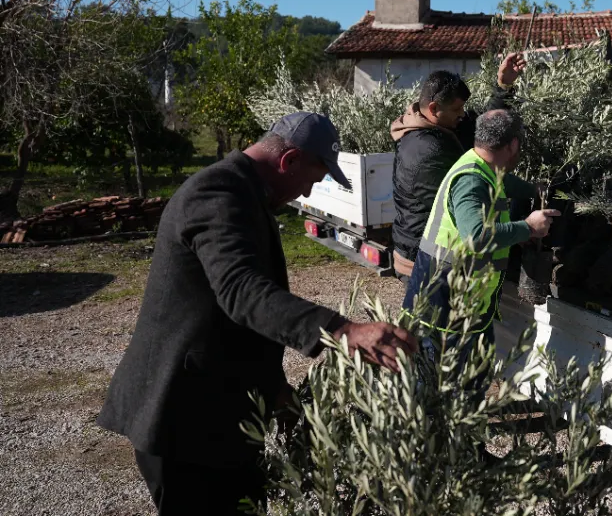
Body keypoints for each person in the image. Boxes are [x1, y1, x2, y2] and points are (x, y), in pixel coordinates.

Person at [96, 112, 418, 516]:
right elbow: (240, 291)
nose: (306, 192)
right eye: (312, 180)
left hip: (219, 415)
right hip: (184, 421)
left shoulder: (244, 192)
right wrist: (343, 331)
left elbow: (235, 316)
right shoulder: (216, 193)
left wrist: (273, 386)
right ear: (289, 161)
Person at [402, 109, 559, 364]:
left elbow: (503, 184)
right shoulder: (472, 180)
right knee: (442, 387)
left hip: (464, 304)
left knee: (473, 381)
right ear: (513, 145)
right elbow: (476, 237)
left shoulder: (481, 165)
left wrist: (533, 189)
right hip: (446, 309)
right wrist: (527, 227)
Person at [390, 54, 526, 285]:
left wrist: (503, 85)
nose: (462, 114)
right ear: (434, 108)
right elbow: (474, 186)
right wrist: (524, 223)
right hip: (426, 261)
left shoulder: (441, 126)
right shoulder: (428, 150)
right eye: (457, 109)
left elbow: (483, 127)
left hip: (431, 256)